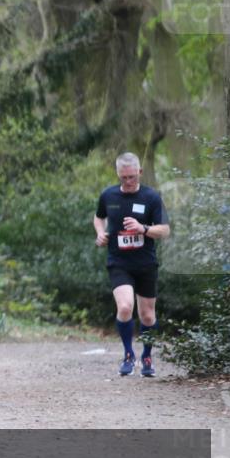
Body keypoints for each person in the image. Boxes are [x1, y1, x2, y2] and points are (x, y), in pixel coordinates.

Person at [94, 152, 170, 377]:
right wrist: (100, 233)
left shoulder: (151, 197)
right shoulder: (108, 195)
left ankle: (147, 356)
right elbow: (99, 217)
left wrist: (143, 228)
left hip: (146, 263)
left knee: (147, 315)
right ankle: (128, 355)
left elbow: (165, 230)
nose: (127, 182)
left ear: (139, 172)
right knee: (125, 307)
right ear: (118, 174)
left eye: (131, 177)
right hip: (119, 262)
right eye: (123, 177)